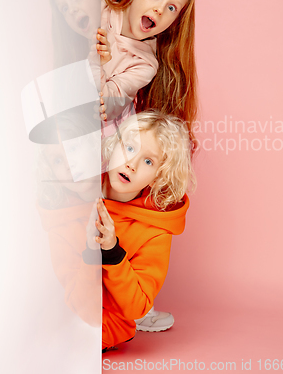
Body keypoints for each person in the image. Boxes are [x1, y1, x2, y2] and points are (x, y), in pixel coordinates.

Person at [37, 110, 195, 351]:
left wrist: (111, 252)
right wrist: (91, 251)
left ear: (157, 177)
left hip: (107, 326)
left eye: (148, 161)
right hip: (64, 315)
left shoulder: (155, 230)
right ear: (112, 147)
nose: (131, 164)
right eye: (129, 149)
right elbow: (80, 306)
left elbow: (134, 308)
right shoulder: (72, 201)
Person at [49, 0, 198, 150]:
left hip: (103, 147)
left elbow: (104, 108)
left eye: (171, 8)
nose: (159, 8)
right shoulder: (101, 11)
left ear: (174, 22)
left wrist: (98, 62)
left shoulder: (145, 64)